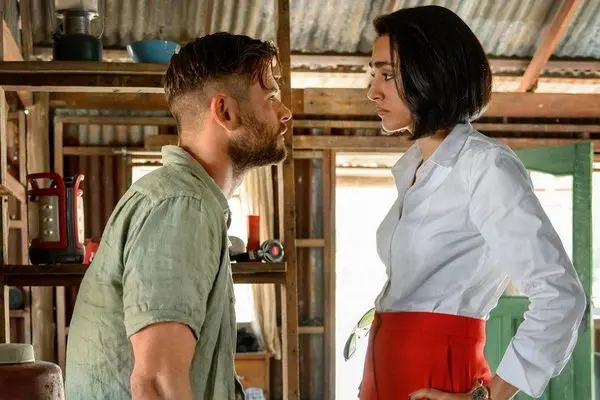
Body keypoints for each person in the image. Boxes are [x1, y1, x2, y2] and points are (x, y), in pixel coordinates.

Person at [361, 5, 586, 400]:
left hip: (439, 376)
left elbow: (561, 295)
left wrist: (492, 397)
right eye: (373, 74)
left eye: (388, 75)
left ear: (432, 73)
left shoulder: (484, 165)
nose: (373, 90)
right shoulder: (414, 167)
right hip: (385, 375)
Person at [65, 32, 292, 400]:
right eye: (270, 98)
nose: (285, 113)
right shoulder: (183, 204)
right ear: (225, 112)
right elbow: (156, 382)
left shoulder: (185, 200)